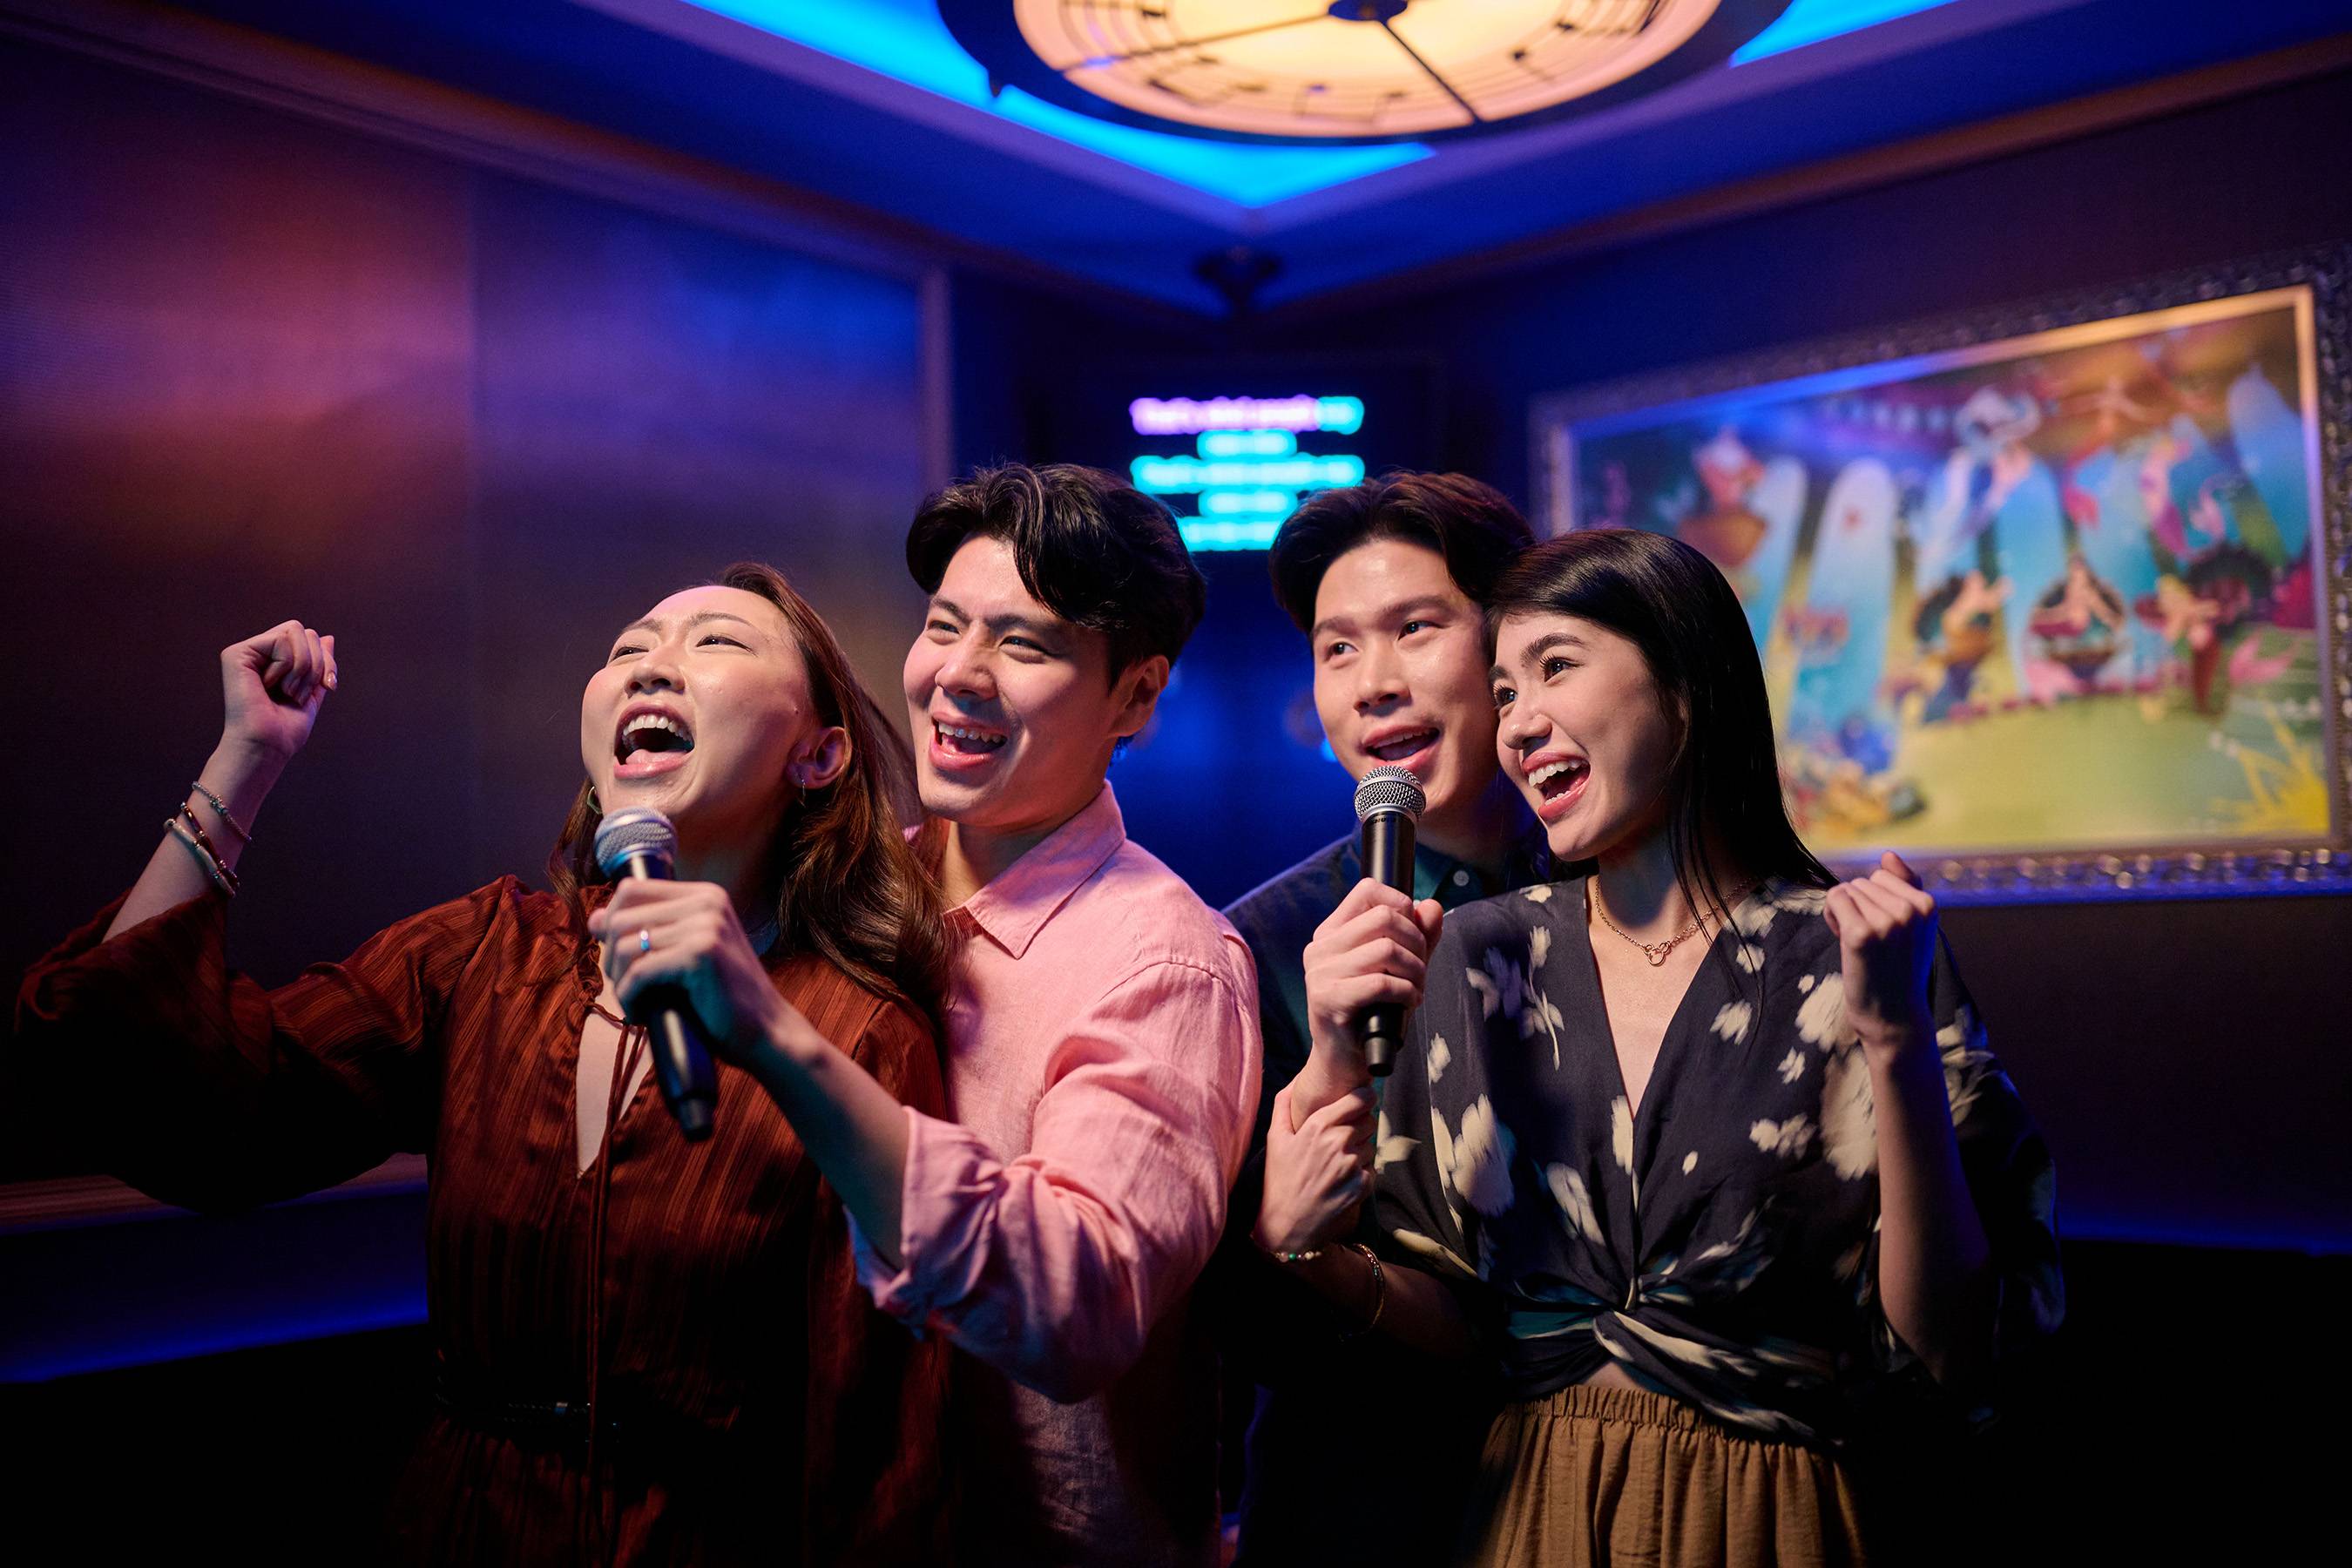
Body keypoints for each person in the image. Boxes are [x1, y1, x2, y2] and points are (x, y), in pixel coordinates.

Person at [14, 563, 956, 1565]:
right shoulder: (486, 957)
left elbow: (880, 1445)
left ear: (819, 756)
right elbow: (175, 1099)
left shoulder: (856, 1035)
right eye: (628, 650)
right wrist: (244, 762)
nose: (651, 668)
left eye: (716, 643)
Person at [1272, 529, 2062, 1564]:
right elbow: (1462, 1321)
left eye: (1555, 668)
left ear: (1685, 690)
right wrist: (1318, 1258)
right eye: (1504, 692)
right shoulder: (1476, 956)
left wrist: (1896, 1038)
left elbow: (1950, 1350)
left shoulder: (1853, 952)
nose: (1520, 723)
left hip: (1773, 1517)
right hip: (1527, 1514)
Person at [740, 463, 1260, 1565]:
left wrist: (790, 1057)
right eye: (944, 626)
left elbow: (1081, 1304)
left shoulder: (1165, 959)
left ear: (1136, 697)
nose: (957, 675)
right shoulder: (843, 889)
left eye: (1023, 645)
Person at [1214, 472, 1543, 1563]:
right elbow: (1237, 1316)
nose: (1374, 684)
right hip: (1355, 1500)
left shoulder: (1622, 897)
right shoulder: (1259, 942)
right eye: (1338, 648)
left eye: (1415, 629)